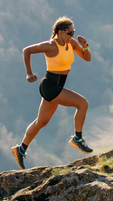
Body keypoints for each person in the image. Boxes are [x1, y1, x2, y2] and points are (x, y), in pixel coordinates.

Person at [12, 16, 93, 169]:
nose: (72, 36)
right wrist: (29, 73)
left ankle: (20, 149)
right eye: (69, 33)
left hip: (57, 85)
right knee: (82, 104)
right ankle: (78, 139)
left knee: (41, 121)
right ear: (60, 32)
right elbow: (27, 50)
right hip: (50, 85)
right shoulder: (51, 46)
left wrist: (85, 46)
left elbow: (86, 58)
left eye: (73, 32)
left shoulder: (72, 43)